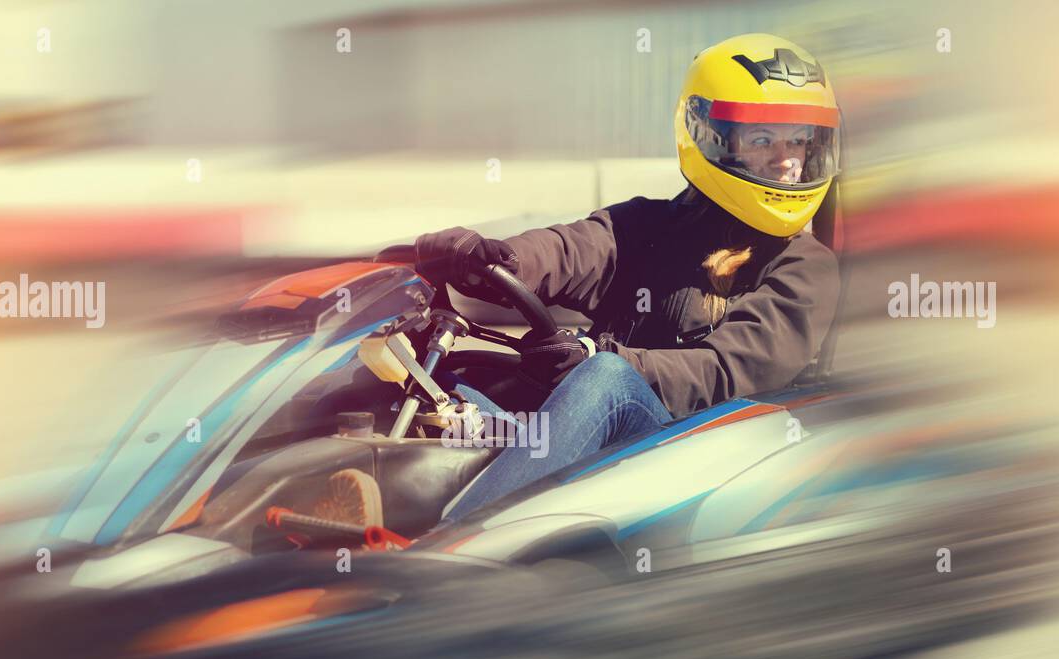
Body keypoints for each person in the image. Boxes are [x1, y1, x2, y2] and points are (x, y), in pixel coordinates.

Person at [346, 33, 843, 528]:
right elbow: (566, 252)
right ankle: (341, 520)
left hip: (700, 461)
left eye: (798, 140)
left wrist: (598, 357)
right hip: (610, 444)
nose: (787, 160)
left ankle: (444, 555)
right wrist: (484, 258)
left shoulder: (804, 267)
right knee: (429, 377)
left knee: (606, 379)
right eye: (763, 140)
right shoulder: (647, 226)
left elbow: (725, 373)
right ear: (711, 138)